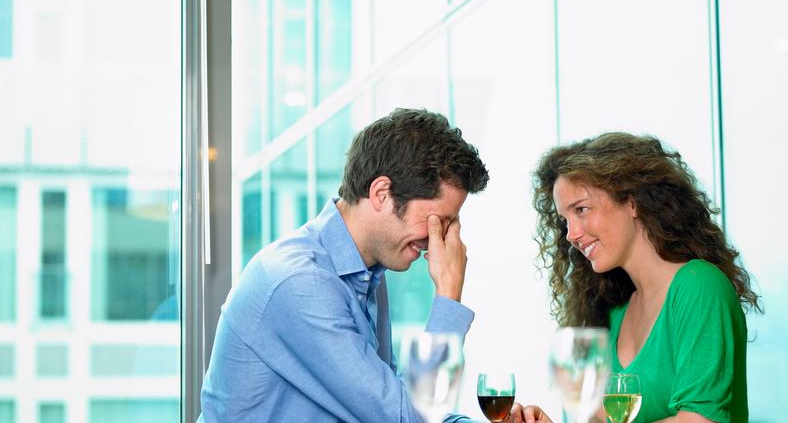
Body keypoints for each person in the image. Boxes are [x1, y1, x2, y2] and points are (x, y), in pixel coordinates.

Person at [197, 108, 496, 423]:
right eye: (440, 221)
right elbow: (407, 417)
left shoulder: (366, 276)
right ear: (382, 194)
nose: (443, 239)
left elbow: (397, 400)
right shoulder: (301, 282)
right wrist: (448, 296)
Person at [523, 132, 761, 423]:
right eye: (565, 220)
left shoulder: (699, 287)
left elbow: (699, 420)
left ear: (632, 203)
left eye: (581, 209)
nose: (571, 234)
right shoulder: (615, 310)